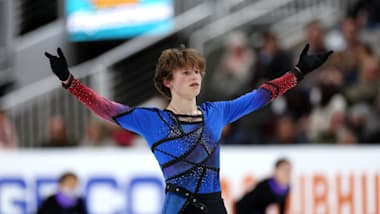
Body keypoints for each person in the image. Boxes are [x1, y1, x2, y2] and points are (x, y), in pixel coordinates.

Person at [45, 44, 332, 213]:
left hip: (214, 205)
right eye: (186, 72)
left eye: (197, 71)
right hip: (178, 207)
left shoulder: (216, 112)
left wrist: (298, 72)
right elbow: (105, 107)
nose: (195, 76)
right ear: (167, 81)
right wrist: (71, 82)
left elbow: (261, 95)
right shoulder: (152, 120)